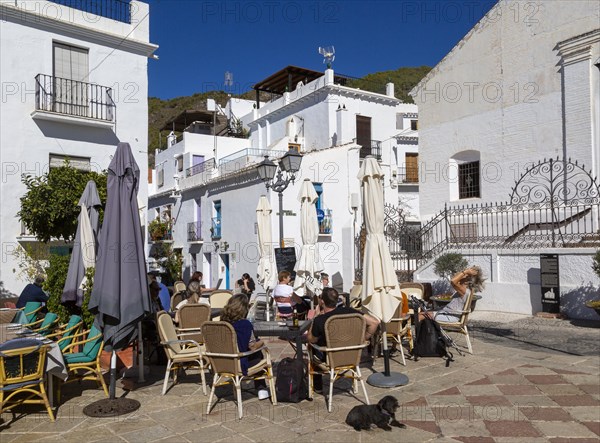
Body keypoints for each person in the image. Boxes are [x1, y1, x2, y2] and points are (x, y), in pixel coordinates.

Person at [307, 287, 380, 392]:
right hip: (352, 356)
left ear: (322, 301)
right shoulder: (350, 312)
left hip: (330, 358)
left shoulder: (320, 320)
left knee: (312, 347)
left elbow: (311, 339)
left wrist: (315, 316)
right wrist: (363, 338)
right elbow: (374, 322)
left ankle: (318, 387)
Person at [221, 294, 270, 400]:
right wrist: (262, 342)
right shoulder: (244, 324)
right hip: (238, 363)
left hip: (223, 362)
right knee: (258, 353)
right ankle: (261, 388)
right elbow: (252, 347)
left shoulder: (222, 323)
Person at [420, 266, 485, 322]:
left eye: (464, 276)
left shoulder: (464, 290)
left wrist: (466, 271)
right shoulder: (465, 290)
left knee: (419, 316)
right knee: (420, 314)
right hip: (448, 314)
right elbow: (454, 280)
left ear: (467, 279)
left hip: (451, 317)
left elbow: (453, 281)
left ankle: (414, 335)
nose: (461, 276)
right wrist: (465, 272)